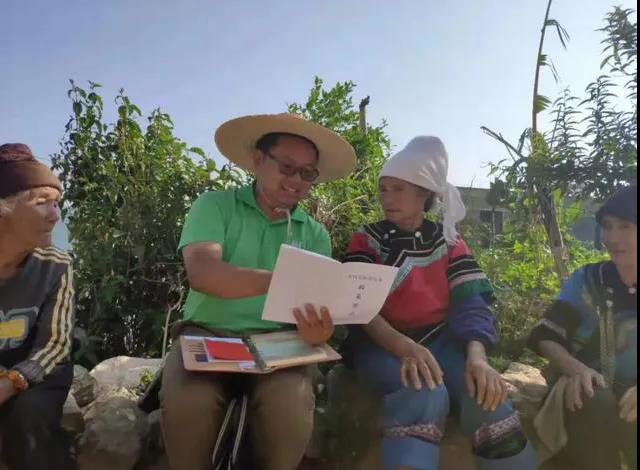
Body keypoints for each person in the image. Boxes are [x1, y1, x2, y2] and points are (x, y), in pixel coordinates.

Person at [160, 113, 356, 470]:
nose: (295, 180)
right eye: (287, 167)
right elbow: (204, 274)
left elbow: (314, 324)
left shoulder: (315, 235)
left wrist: (318, 332)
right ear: (257, 160)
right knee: (189, 403)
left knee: (292, 404)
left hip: (282, 344)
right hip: (207, 334)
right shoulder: (214, 206)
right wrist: (284, 279)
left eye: (307, 173)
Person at [342, 136, 536, 470]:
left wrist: (477, 359)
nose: (387, 197)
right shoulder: (368, 238)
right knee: (423, 390)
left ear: (424, 193)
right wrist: (405, 348)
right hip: (382, 344)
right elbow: (360, 307)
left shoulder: (448, 241)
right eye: (383, 189)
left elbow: (470, 303)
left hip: (442, 342)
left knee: (484, 391)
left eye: (397, 189)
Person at [529, 184, 637, 470]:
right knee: (593, 399)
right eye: (607, 226)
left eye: (625, 227)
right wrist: (575, 369)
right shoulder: (588, 279)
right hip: (587, 389)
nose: (612, 237)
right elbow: (545, 335)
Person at [0, 143, 75, 470]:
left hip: (37, 369)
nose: (55, 215)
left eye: (56, 203)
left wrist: (10, 382)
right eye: (42, 202)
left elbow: (55, 344)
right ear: (4, 208)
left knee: (29, 422)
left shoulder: (55, 264)